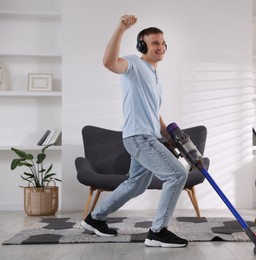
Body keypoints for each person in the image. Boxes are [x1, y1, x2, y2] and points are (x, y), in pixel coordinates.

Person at [81, 14, 189, 248]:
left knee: (137, 184)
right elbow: (110, 63)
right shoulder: (134, 65)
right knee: (177, 174)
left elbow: (154, 110)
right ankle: (157, 232)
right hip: (139, 137)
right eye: (154, 43)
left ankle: (94, 218)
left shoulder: (155, 75)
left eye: (162, 43)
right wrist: (120, 29)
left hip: (147, 136)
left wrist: (167, 135)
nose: (160, 47)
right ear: (142, 46)